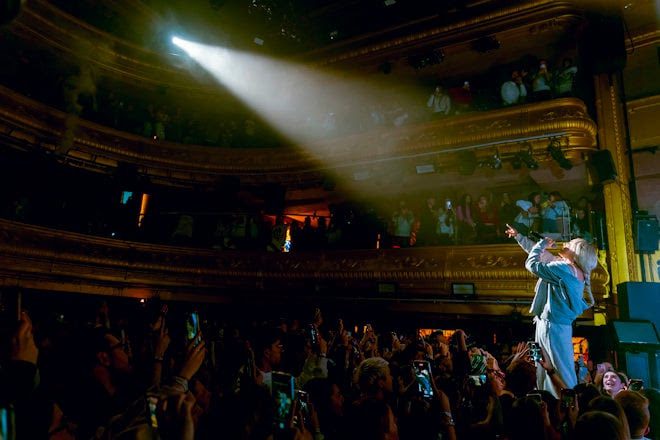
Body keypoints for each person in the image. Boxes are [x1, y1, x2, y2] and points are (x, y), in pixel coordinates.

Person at [505, 224, 598, 398]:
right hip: (556, 325)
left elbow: (533, 265)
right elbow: (541, 255)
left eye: (570, 244)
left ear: (576, 253)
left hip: (551, 326)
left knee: (554, 367)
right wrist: (519, 237)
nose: (565, 244)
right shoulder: (571, 270)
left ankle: (563, 402)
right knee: (554, 366)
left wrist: (542, 244)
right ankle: (556, 399)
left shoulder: (564, 269)